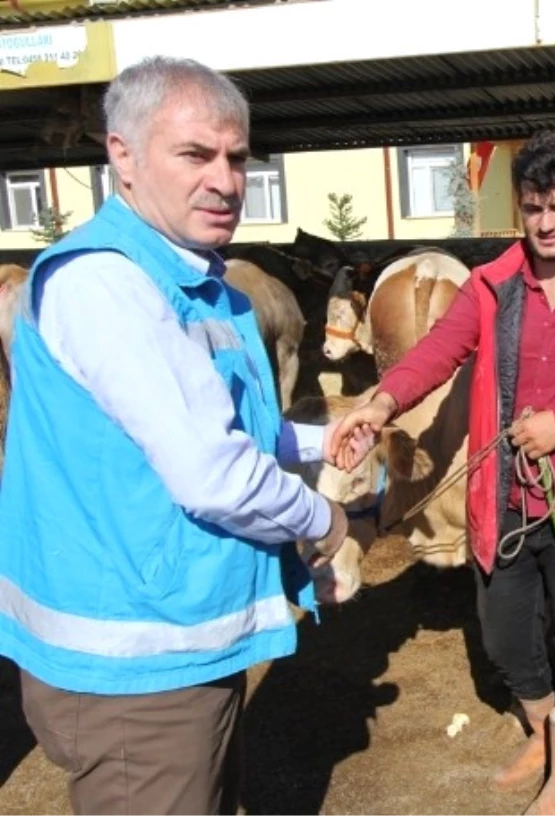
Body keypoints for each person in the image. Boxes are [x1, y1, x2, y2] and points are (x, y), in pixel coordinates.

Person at [0, 56, 361, 815]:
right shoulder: (109, 286)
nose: (226, 180)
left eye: (236, 158)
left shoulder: (200, 285)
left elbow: (221, 428)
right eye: (195, 154)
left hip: (180, 640)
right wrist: (325, 520)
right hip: (132, 667)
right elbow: (214, 472)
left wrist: (314, 445)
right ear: (123, 156)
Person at [328, 129, 555, 815]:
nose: (546, 222)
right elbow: (435, 353)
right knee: (505, 635)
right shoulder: (490, 288)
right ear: (519, 208)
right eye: (534, 207)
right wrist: (379, 403)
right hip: (506, 501)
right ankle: (547, 735)